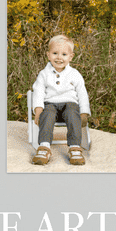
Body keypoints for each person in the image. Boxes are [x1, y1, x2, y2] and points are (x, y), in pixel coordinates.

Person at [30, 34, 91, 166]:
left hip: (70, 105)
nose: (59, 57)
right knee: (47, 113)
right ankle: (44, 147)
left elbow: (82, 93)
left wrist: (84, 112)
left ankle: (75, 147)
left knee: (72, 112)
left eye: (64, 54)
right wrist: (38, 109)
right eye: (55, 53)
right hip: (50, 104)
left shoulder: (74, 74)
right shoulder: (44, 74)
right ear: (48, 55)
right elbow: (39, 91)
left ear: (71, 56)